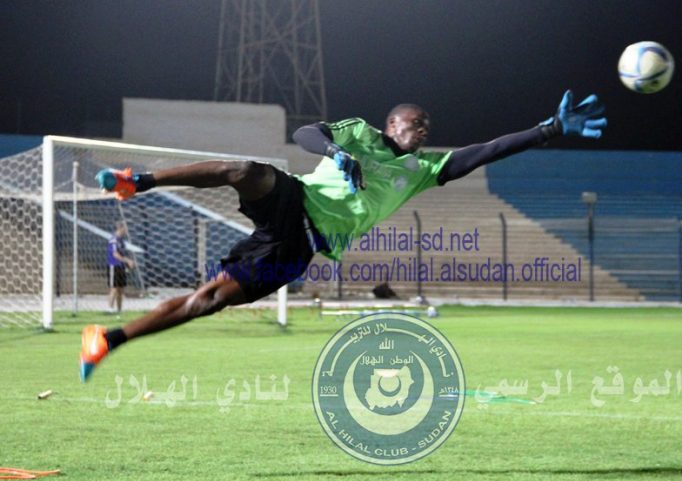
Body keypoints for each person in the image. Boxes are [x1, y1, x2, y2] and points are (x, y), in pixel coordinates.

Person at [79, 90, 606, 381]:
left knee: (207, 301)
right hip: (294, 199)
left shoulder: (423, 170)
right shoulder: (358, 134)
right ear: (391, 124)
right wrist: (336, 152)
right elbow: (306, 133)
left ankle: (107, 340)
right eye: (415, 122)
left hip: (300, 247)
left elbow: (486, 150)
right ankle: (136, 181)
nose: (423, 128)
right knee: (243, 169)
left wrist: (549, 129)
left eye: (426, 125)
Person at [106, 221, 135, 316]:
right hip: (113, 266)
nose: (127, 230)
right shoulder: (113, 240)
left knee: (121, 289)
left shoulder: (121, 241)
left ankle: (119, 310)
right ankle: (110, 309)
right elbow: (115, 254)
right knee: (114, 288)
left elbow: (122, 253)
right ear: (120, 228)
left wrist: (127, 263)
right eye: (125, 228)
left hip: (121, 266)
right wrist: (128, 261)